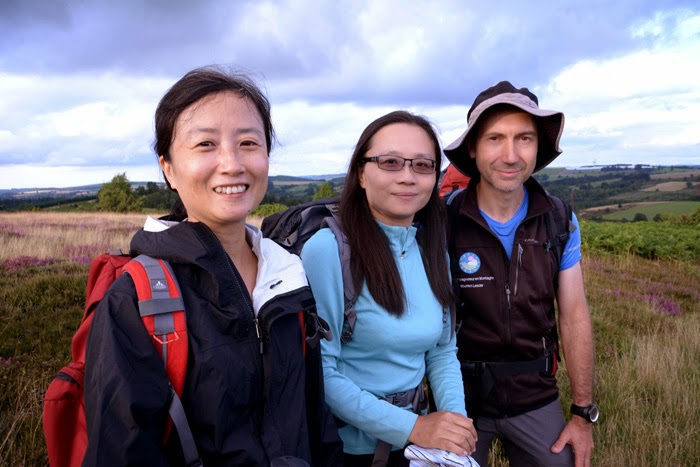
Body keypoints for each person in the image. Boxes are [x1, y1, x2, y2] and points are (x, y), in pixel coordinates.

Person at [83, 66, 342, 466]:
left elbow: (316, 422)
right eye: (205, 144)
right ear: (168, 167)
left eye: (248, 143)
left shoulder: (287, 276)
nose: (232, 163)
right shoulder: (136, 298)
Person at [300, 111, 478, 466]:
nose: (408, 177)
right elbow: (321, 372)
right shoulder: (328, 251)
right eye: (391, 162)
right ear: (361, 173)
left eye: (423, 165)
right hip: (347, 452)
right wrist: (415, 427)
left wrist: (452, 428)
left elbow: (442, 351)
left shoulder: (431, 250)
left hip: (417, 450)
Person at [443, 81, 596, 466]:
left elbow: (574, 314)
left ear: (537, 148)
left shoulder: (560, 220)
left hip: (535, 394)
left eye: (524, 138)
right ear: (474, 148)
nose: (510, 155)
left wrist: (581, 413)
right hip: (457, 397)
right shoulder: (443, 221)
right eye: (495, 138)